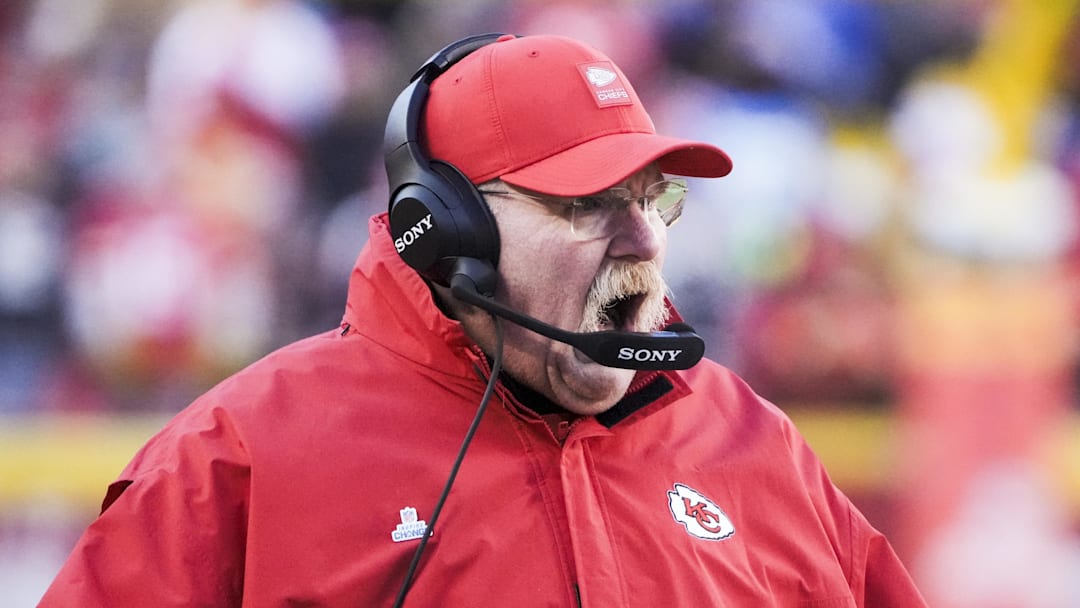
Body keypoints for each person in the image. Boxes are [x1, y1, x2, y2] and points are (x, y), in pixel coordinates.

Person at [39, 33, 927, 607]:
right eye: (588, 205)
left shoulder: (755, 447)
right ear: (446, 229)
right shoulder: (234, 462)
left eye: (652, 199)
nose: (644, 240)